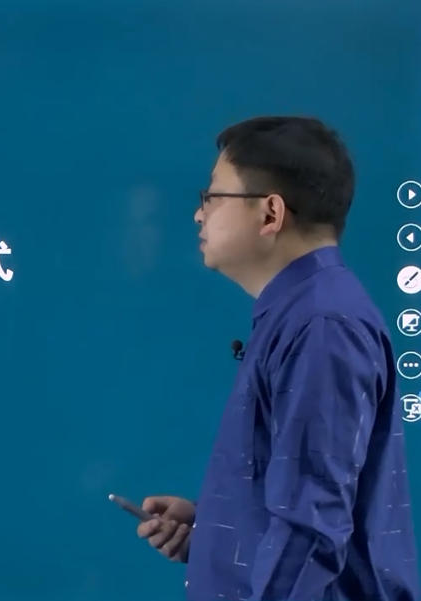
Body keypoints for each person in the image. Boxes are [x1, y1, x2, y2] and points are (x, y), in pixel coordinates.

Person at [137, 116, 421, 600]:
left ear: (270, 213)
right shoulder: (303, 314)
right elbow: (304, 499)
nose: (199, 215)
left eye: (212, 196)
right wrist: (216, 533)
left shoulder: (322, 325)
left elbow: (312, 529)